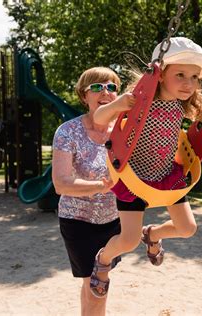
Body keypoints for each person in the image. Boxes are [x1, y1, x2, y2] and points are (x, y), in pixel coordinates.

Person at [91, 37, 202, 295]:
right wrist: (116, 104)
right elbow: (99, 118)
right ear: (159, 74)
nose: (188, 83)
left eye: (194, 77)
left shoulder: (182, 103)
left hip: (165, 176)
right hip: (132, 177)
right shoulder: (138, 99)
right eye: (180, 74)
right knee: (127, 240)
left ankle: (154, 234)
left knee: (187, 228)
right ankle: (103, 259)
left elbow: (198, 116)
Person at [52, 67, 132, 315]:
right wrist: (102, 185)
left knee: (92, 282)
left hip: (112, 219)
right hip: (78, 222)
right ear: (84, 95)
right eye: (97, 87)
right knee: (99, 287)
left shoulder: (124, 131)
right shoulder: (68, 131)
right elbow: (61, 183)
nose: (105, 92)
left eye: (112, 87)